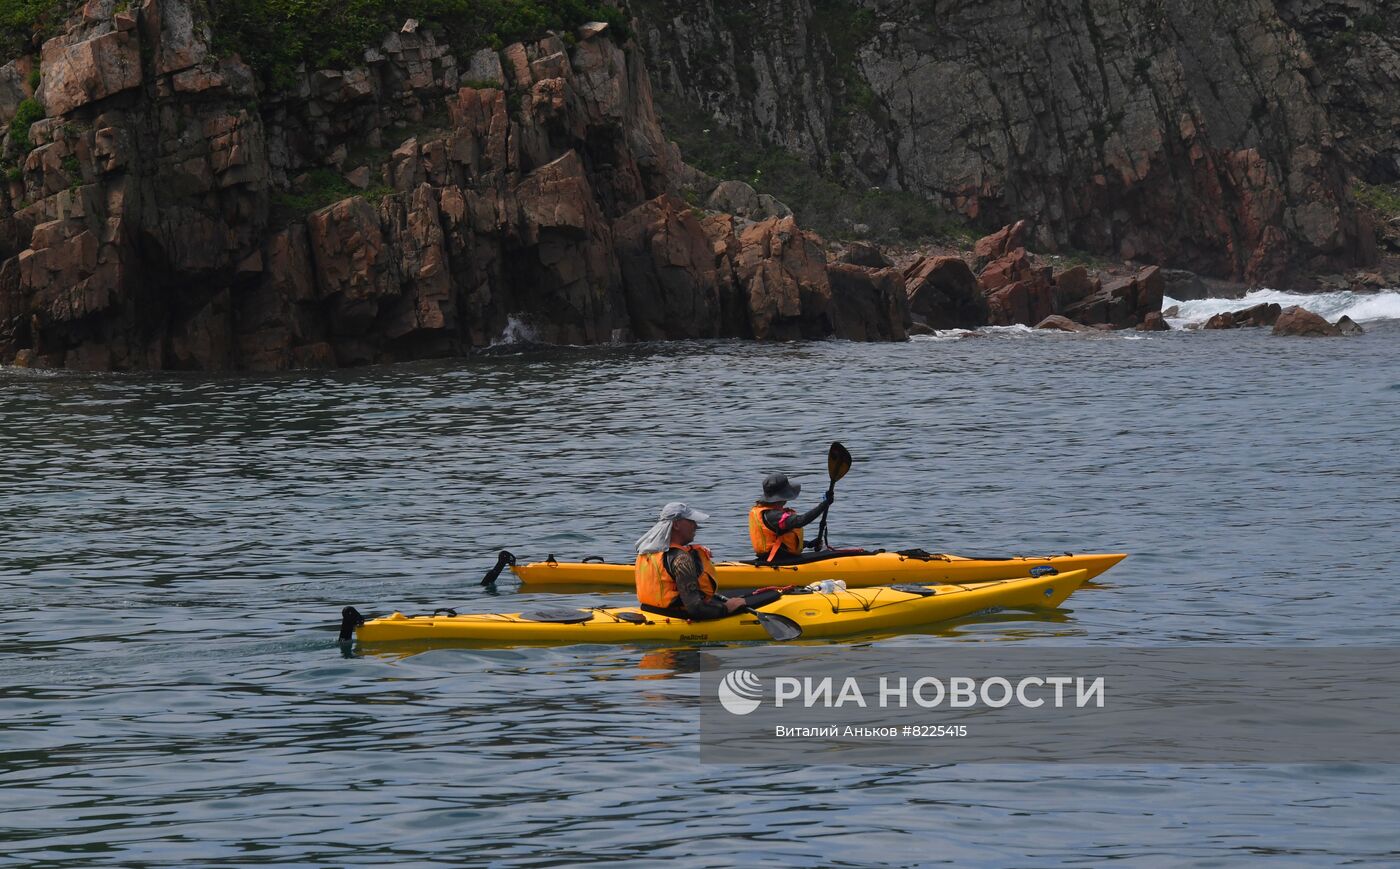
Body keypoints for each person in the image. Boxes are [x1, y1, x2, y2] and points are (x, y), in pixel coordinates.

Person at [635, 502, 748, 620]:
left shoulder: (646, 551)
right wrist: (727, 608)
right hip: (677, 616)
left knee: (748, 593)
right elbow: (696, 609)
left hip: (651, 610)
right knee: (754, 599)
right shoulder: (681, 559)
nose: (696, 525)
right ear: (677, 525)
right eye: (691, 521)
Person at [748, 472, 832, 561]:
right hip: (778, 560)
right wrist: (824, 505)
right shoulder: (773, 515)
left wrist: (808, 544)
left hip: (776, 557)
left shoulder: (766, 511)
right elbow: (800, 521)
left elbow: (782, 542)